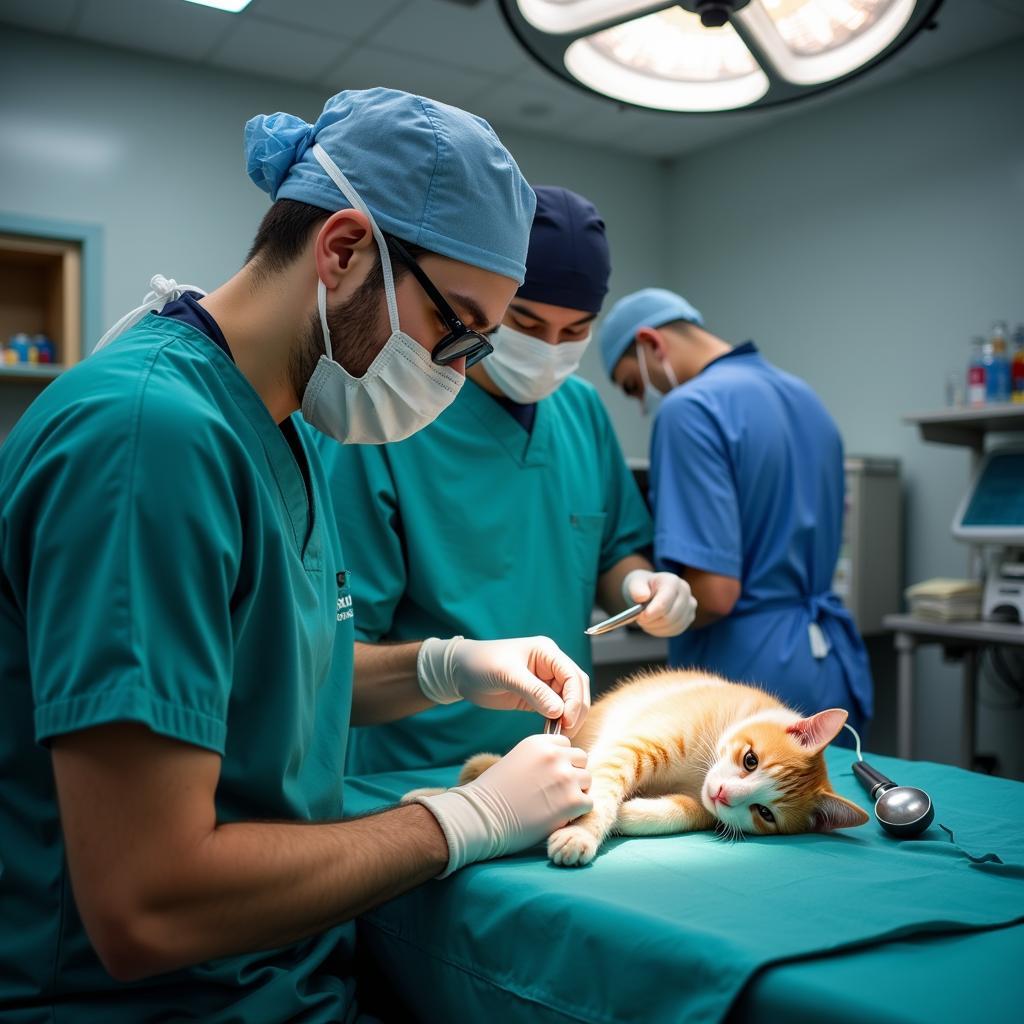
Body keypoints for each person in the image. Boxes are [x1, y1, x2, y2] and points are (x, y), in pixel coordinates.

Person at [0, 89, 595, 1023]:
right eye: (456, 329)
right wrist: (460, 821)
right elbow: (146, 901)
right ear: (345, 249)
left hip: (281, 978)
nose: (460, 371)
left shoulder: (284, 419)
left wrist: (447, 667)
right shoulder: (149, 439)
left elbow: (268, 674)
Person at [321, 186, 697, 775]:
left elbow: (612, 550)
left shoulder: (581, 410)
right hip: (418, 774)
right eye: (526, 321)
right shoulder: (390, 415)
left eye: (575, 332)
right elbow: (333, 663)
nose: (549, 349)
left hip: (562, 763)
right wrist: (450, 669)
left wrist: (640, 586)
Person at [599, 287, 873, 735]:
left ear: (651, 343)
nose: (639, 401)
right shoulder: (804, 397)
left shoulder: (689, 411)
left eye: (632, 385)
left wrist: (654, 606)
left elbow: (714, 593)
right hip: (826, 664)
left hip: (746, 679)